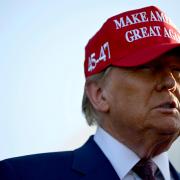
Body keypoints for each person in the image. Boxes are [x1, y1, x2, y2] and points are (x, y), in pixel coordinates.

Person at [0, 5, 180, 180]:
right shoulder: (19, 175)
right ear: (99, 94)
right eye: (147, 68)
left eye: (177, 70)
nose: (171, 82)